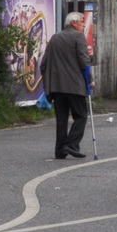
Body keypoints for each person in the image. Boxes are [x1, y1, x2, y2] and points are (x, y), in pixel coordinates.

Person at [41, 11, 93, 159]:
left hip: (57, 87)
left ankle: (60, 150)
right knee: (81, 116)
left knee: (61, 119)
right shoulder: (78, 36)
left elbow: (43, 65)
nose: (84, 24)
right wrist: (90, 79)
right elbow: (84, 61)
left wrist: (48, 85)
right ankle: (71, 145)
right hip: (75, 86)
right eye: (82, 21)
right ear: (73, 23)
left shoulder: (55, 38)